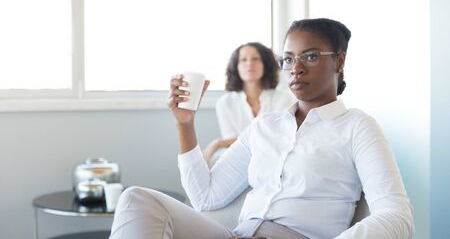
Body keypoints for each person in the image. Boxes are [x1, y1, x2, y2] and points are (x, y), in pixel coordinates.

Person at [109, 18, 414, 239]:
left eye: (310, 56)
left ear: (339, 61)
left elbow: (397, 216)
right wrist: (184, 123)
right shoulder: (265, 126)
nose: (296, 67)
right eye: (289, 58)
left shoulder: (358, 127)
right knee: (137, 199)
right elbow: (206, 196)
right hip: (237, 234)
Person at [203, 42, 296, 164]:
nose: (249, 64)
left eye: (255, 59)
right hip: (241, 158)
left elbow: (277, 139)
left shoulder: (284, 99)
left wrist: (217, 143)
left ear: (265, 64)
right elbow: (232, 144)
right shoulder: (225, 103)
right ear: (236, 66)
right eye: (243, 60)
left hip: (274, 157)